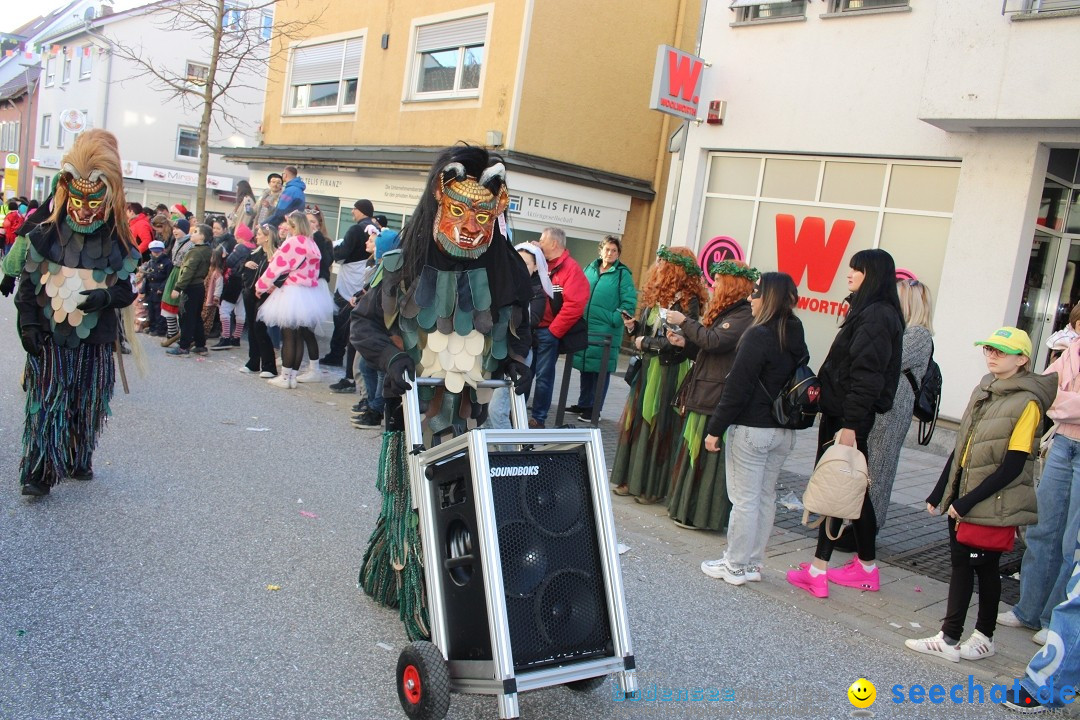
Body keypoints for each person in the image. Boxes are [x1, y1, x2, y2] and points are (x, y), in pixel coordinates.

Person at [350, 145, 533, 640]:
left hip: (473, 417)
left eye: (483, 214)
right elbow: (363, 327)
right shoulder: (400, 267)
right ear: (439, 201)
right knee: (413, 503)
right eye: (459, 211)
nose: (472, 226)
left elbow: (519, 336)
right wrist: (394, 360)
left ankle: (466, 592)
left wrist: (517, 365)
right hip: (415, 414)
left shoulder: (508, 274)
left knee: (469, 505)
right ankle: (417, 596)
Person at [906, 327, 1055, 662]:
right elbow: (961, 447)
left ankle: (981, 636)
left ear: (1022, 360)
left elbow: (1015, 465)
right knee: (962, 564)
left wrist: (966, 502)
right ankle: (952, 637)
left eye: (1000, 351)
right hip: (966, 496)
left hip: (994, 500)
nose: (991, 355)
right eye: (988, 349)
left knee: (985, 568)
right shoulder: (985, 388)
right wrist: (942, 491)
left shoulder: (1028, 403)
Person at [12, 129, 141, 496]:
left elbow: (125, 289)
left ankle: (77, 454)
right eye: (78, 199)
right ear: (66, 192)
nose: (84, 209)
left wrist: (106, 299)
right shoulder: (45, 234)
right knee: (47, 400)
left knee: (86, 401)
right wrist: (28, 326)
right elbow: (27, 288)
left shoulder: (118, 239)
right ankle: (39, 471)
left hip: (94, 336)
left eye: (94, 200)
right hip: (51, 335)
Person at [787, 248, 904, 598]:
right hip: (846, 413)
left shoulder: (877, 316)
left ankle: (819, 570)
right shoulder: (872, 311)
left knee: (836, 484)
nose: (849, 274)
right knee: (856, 488)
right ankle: (866, 566)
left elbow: (867, 375)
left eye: (857, 269)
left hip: (848, 417)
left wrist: (851, 425)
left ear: (873, 274)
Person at [699, 272, 806, 584]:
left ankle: (734, 565)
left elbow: (737, 387)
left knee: (745, 499)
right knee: (764, 497)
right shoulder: (795, 331)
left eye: (756, 293)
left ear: (769, 297)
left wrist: (715, 429)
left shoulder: (758, 334)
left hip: (751, 428)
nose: (750, 298)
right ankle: (752, 564)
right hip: (783, 430)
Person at [999, 306, 1080, 645]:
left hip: (1069, 443)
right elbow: (1045, 393)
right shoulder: (1069, 351)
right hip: (1062, 443)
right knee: (1042, 528)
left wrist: (1063, 401)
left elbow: (1054, 398)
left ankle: (1054, 620)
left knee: (1072, 541)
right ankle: (1028, 610)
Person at [610, 245, 708, 502]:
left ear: (676, 269)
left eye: (664, 264)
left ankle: (650, 487)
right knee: (638, 424)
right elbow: (647, 332)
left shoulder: (688, 301)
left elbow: (682, 341)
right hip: (647, 368)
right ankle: (629, 479)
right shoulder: (657, 297)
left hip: (667, 370)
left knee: (658, 424)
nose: (659, 268)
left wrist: (646, 343)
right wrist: (634, 329)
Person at [664, 260, 756, 531]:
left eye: (719, 282)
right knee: (694, 455)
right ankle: (686, 511)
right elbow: (708, 350)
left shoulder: (742, 316)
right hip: (706, 389)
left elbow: (715, 342)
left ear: (732, 285)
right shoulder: (730, 313)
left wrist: (685, 322)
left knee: (707, 460)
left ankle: (702, 515)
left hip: (715, 396)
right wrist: (684, 342)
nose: (713, 287)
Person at [862, 279, 936, 534]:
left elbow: (886, 358)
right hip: (884, 406)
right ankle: (857, 522)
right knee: (868, 465)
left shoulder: (918, 335)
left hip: (893, 410)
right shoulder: (903, 331)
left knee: (879, 468)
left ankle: (869, 526)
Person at [255, 211, 333, 389]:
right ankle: (292, 377)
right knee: (298, 336)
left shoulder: (293, 242)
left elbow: (276, 267)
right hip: (307, 292)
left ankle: (285, 377)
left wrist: (261, 286)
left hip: (291, 291)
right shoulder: (312, 244)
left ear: (293, 226)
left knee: (288, 336)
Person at [569, 235, 637, 422]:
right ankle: (584, 404)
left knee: (601, 370)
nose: (610, 253)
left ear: (618, 253)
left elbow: (629, 303)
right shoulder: (590, 268)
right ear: (601, 250)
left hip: (606, 330)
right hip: (586, 327)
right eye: (607, 249)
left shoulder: (623, 274)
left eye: (614, 250)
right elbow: (578, 290)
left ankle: (594, 410)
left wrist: (613, 319)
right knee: (586, 366)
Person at [530, 226, 589, 428]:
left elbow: (575, 305)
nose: (538, 242)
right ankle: (521, 413)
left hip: (547, 331)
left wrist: (553, 331)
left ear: (554, 244)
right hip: (532, 329)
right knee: (524, 374)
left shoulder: (571, 269)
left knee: (543, 378)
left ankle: (538, 418)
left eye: (542, 240)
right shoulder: (540, 262)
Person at [323, 199, 377, 370]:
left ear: (360, 210)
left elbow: (344, 251)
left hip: (350, 278)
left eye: (354, 209)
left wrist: (331, 251)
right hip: (364, 276)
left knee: (341, 317)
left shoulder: (356, 228)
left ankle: (336, 354)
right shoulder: (375, 228)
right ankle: (349, 361)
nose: (352, 212)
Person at [165, 223, 212, 357]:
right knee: (196, 317)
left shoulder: (195, 252)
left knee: (186, 317)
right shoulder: (207, 250)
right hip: (199, 287)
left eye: (196, 232)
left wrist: (178, 288)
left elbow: (187, 272)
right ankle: (200, 345)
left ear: (202, 236)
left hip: (191, 287)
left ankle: (183, 346)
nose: (193, 234)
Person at [239, 223, 279, 377]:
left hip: (265, 295)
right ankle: (253, 362)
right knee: (252, 329)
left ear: (268, 237)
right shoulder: (254, 253)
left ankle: (269, 366)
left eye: (260, 234)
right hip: (249, 293)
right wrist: (245, 264)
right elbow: (239, 268)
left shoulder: (276, 255)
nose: (256, 236)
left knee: (260, 329)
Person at [159, 218, 191, 345]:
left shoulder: (190, 244)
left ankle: (182, 336)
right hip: (174, 272)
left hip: (182, 273)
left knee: (179, 305)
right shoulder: (176, 241)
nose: (175, 231)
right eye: (174, 228)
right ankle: (172, 333)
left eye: (178, 228)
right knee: (167, 301)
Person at [141, 239, 172, 336]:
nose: (156, 254)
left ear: (162, 251)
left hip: (159, 289)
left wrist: (162, 288)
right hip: (150, 289)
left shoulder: (167, 263)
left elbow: (168, 278)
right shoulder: (150, 262)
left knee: (159, 311)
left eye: (158, 252)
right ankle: (152, 327)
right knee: (151, 311)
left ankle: (160, 330)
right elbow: (147, 276)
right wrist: (143, 289)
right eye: (154, 252)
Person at [201, 250, 224, 339]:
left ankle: (204, 334)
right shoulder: (211, 270)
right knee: (203, 316)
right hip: (205, 297)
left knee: (207, 317)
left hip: (210, 299)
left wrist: (216, 297)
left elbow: (218, 286)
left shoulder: (217, 273)